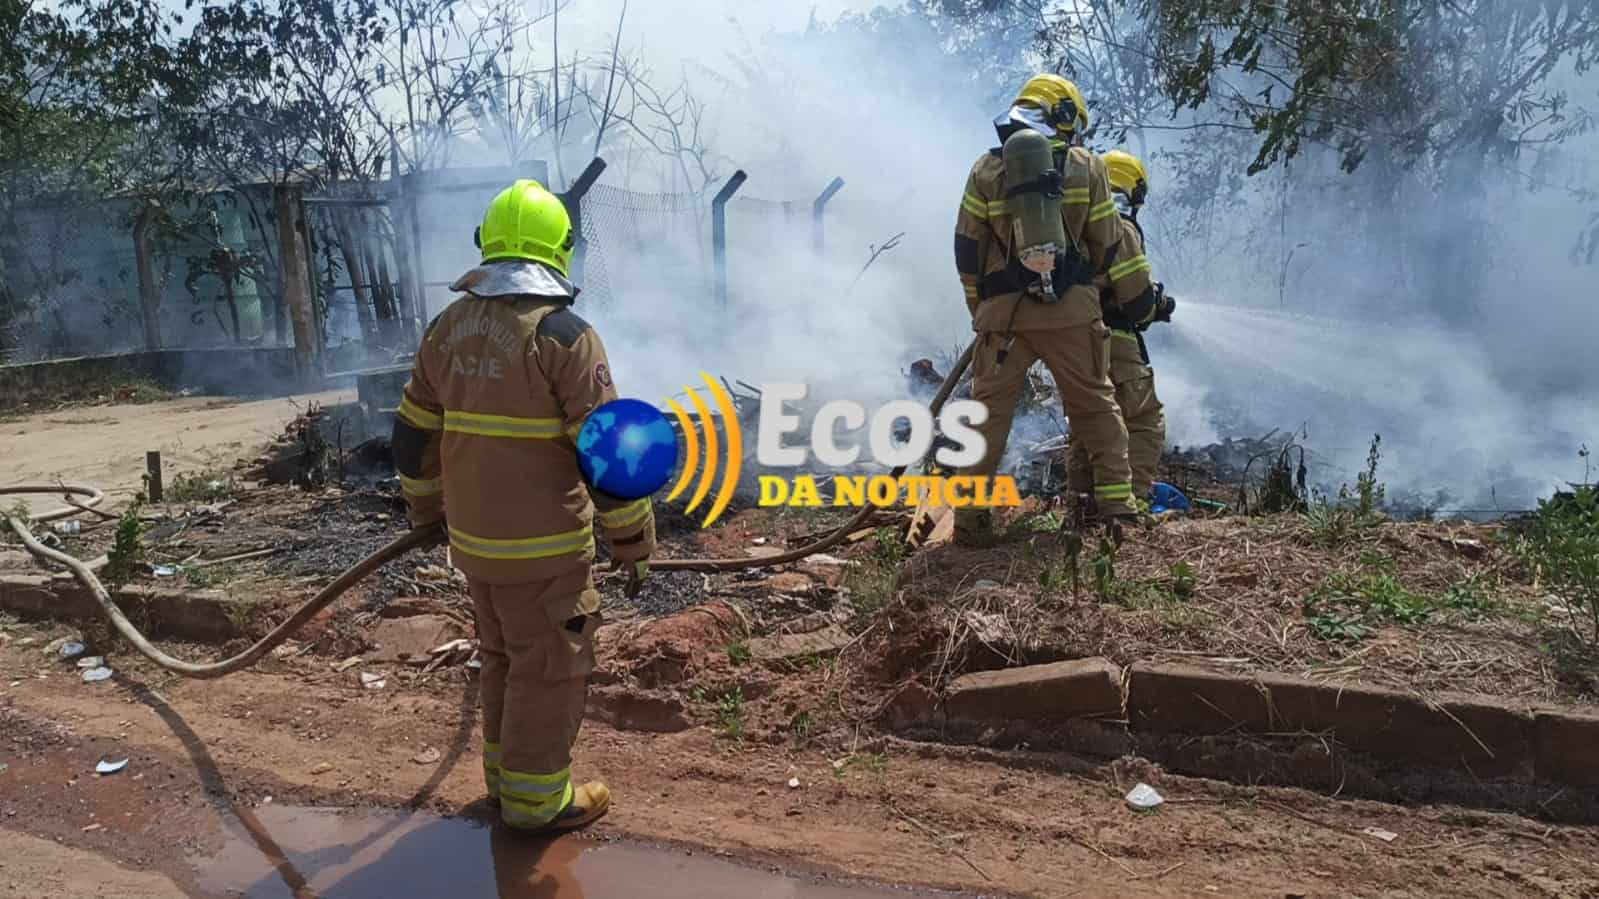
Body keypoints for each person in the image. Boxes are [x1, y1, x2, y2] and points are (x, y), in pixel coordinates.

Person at [391, 179, 656, 833]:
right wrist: (633, 540)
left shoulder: (445, 327)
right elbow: (608, 453)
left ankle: (504, 782)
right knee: (548, 671)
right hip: (547, 555)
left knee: (503, 660)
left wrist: (424, 514)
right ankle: (538, 804)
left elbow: (412, 434)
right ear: (561, 249)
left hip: (476, 549)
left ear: (486, 246)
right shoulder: (565, 335)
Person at [952, 73, 1156, 544]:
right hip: (1073, 313)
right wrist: (1076, 283)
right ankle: (1118, 513)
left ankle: (970, 521)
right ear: (1063, 117)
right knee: (1095, 407)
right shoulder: (1088, 166)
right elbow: (1107, 243)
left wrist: (981, 311)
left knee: (987, 417)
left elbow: (967, 250)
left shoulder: (984, 171)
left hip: (1002, 319)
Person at [1066, 150, 1176, 506]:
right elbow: (1136, 302)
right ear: (1135, 191)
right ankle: (1133, 504)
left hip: (1074, 342)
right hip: (1114, 340)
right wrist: (1157, 304)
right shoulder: (1119, 226)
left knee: (1091, 427)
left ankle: (1083, 507)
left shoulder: (1074, 225)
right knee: (1145, 422)